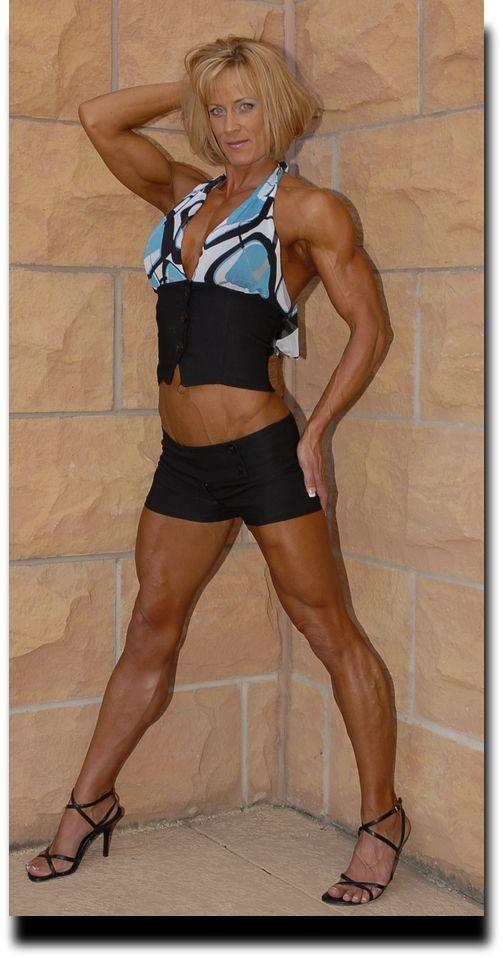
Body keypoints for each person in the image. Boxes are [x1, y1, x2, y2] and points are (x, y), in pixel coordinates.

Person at [25, 35, 411, 906]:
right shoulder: (183, 193)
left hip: (263, 453)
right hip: (184, 465)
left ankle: (381, 818)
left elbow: (370, 329)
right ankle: (89, 802)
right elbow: (97, 118)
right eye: (217, 107)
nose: (231, 123)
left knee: (327, 630)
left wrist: (316, 434)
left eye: (247, 103)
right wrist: (196, 79)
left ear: (279, 107)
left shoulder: (308, 211)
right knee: (148, 629)